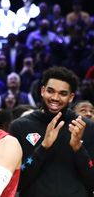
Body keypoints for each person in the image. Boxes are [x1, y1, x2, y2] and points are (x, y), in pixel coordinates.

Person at [9, 66, 94, 197]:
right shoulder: (20, 126)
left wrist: (78, 148)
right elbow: (17, 182)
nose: (55, 97)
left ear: (71, 97)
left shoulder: (87, 127)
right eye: (50, 91)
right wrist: (43, 147)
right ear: (42, 91)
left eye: (63, 93)